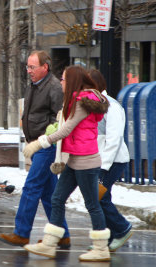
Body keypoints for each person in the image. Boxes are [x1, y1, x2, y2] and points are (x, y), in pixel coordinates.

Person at [23, 65, 110, 262]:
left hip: (87, 162)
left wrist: (40, 143)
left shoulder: (81, 102)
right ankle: (49, 244)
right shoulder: (76, 101)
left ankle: (101, 248)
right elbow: (64, 127)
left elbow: (66, 130)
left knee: (92, 205)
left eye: (63, 79)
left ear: (71, 81)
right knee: (57, 199)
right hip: (75, 159)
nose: (61, 82)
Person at [0, 50, 70, 248]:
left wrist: (45, 139)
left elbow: (60, 119)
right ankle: (62, 234)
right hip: (36, 144)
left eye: (32, 67)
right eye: (27, 66)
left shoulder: (54, 87)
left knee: (31, 187)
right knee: (48, 193)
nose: (28, 70)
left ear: (44, 67)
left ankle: (21, 233)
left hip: (47, 146)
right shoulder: (34, 85)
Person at [89, 69, 132, 251]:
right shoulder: (95, 105)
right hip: (101, 160)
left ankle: (122, 229)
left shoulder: (111, 106)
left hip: (113, 161)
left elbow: (114, 140)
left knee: (99, 197)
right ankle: (109, 236)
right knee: (101, 197)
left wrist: (103, 167)